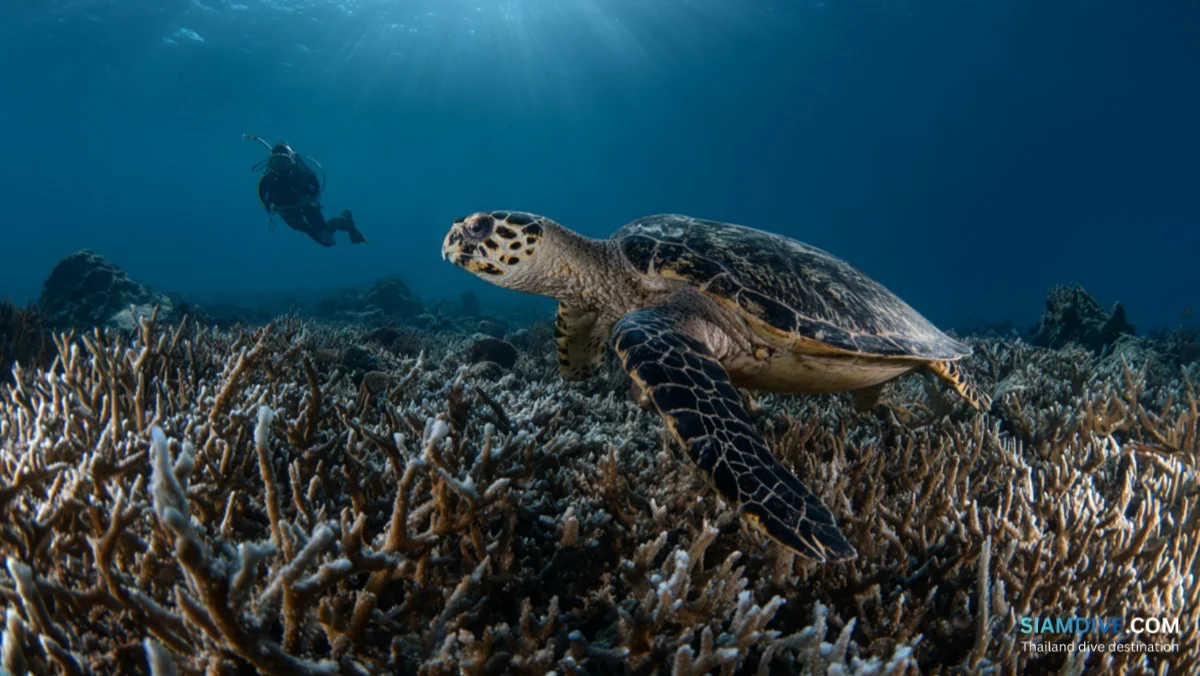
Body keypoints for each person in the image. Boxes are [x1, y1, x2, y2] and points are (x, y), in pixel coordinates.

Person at [244, 135, 367, 247]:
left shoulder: (302, 174)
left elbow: (315, 187)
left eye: (283, 161)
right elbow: (262, 196)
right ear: (270, 163)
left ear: (291, 161)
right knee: (313, 234)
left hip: (307, 207)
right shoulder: (268, 179)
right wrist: (269, 206)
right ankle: (340, 223)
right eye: (276, 162)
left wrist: (308, 199)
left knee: (327, 238)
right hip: (287, 211)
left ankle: (346, 221)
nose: (280, 165)